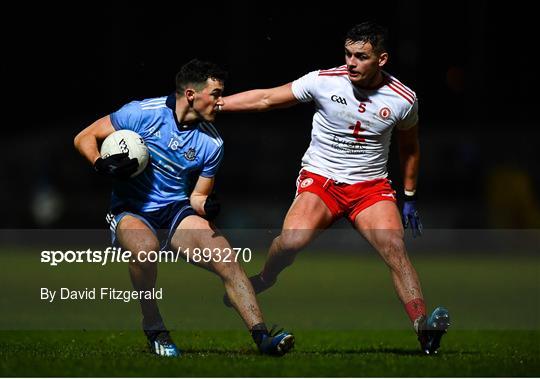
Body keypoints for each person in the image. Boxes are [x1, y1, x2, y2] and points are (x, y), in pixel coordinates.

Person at [220, 22, 450, 354]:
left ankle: (424, 329)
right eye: (348, 54)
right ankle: (265, 279)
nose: (352, 62)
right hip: (322, 180)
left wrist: (410, 197)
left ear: (381, 59)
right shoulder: (323, 81)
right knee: (291, 241)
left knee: (394, 248)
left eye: (361, 56)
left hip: (370, 188)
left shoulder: (403, 98)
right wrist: (219, 105)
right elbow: (268, 98)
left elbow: (410, 149)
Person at [73, 59, 294, 357]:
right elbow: (83, 137)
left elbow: (197, 198)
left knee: (226, 258)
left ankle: (263, 337)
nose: (220, 102)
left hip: (175, 210)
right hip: (131, 209)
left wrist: (208, 205)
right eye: (215, 94)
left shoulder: (212, 142)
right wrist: (101, 164)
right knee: (144, 249)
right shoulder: (141, 113)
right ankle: (153, 324)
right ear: (191, 94)